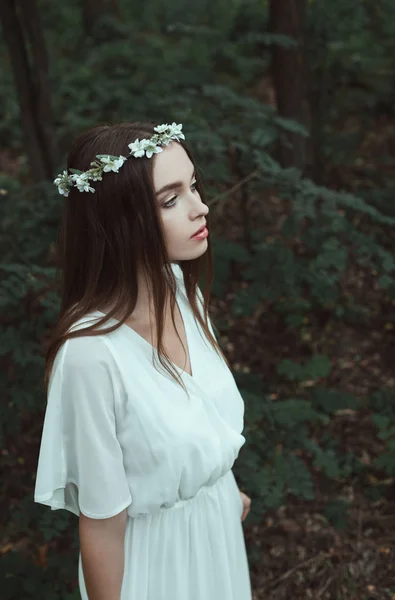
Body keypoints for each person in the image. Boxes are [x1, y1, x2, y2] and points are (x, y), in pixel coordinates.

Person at [34, 121, 252, 600]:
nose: (202, 207)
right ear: (119, 220)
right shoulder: (91, 356)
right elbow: (103, 524)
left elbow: (193, 415)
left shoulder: (180, 289)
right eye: (171, 199)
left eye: (194, 185)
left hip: (217, 532)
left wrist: (215, 484)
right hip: (155, 563)